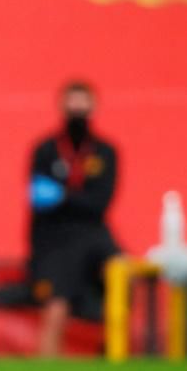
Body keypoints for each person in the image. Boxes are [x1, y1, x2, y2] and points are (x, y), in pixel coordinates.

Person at [29, 81, 120, 356]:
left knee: (120, 272)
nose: (77, 109)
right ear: (62, 106)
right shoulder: (45, 150)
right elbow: (39, 201)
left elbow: (99, 203)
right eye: (72, 103)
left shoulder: (106, 152)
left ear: (93, 107)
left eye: (83, 103)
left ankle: (114, 353)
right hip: (56, 238)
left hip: (94, 235)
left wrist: (62, 196)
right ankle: (46, 369)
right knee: (58, 302)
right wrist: (77, 197)